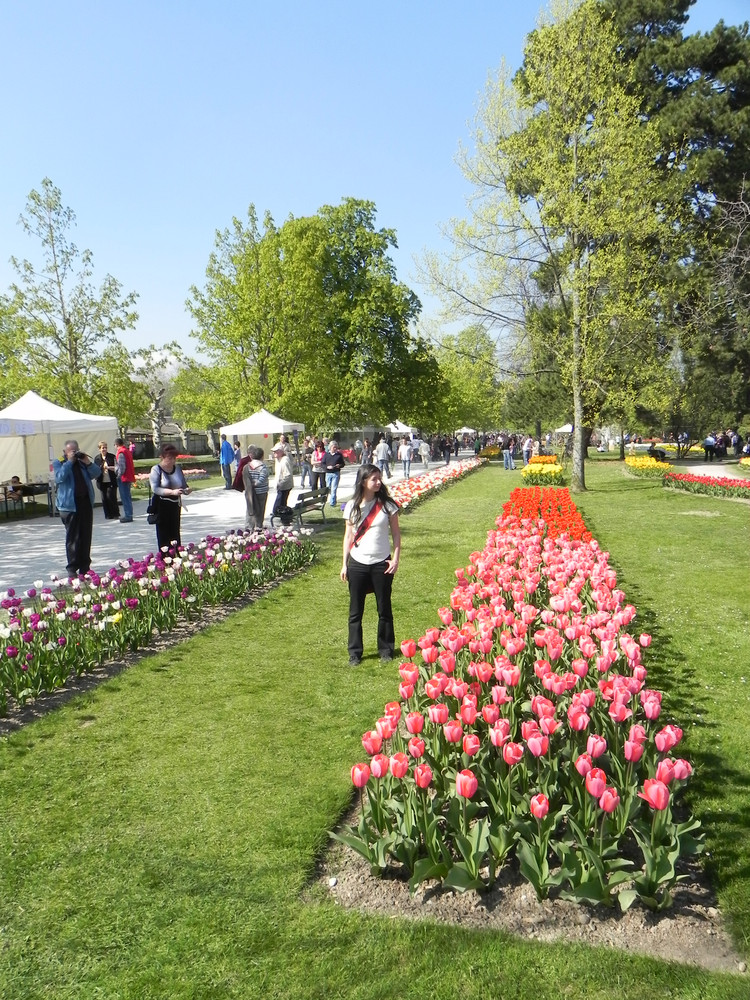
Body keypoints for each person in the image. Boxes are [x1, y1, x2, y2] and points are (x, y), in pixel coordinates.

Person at [341, 464, 401, 666]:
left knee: (384, 609)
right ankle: (354, 653)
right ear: (363, 481)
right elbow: (348, 536)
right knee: (355, 611)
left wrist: (395, 559)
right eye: (373, 479)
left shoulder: (387, 505)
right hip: (357, 563)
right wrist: (344, 564)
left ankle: (386, 649)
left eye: (379, 478)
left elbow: (396, 534)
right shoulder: (352, 506)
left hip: (382, 563)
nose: (378, 482)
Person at [52, 440, 102, 577]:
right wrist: (69, 462)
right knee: (73, 537)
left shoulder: (81, 462)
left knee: (86, 535)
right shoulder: (58, 462)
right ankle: (72, 568)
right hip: (68, 506)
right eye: (71, 451)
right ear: (65, 452)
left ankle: (85, 567)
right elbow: (59, 478)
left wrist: (88, 462)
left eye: (76, 450)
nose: (74, 453)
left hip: (84, 502)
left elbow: (97, 473)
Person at [149, 443, 191, 551]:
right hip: (162, 505)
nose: (172, 461)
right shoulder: (156, 469)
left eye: (174, 458)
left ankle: (176, 554)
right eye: (169, 458)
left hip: (175, 505)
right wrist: (172, 492)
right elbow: (155, 489)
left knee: (175, 531)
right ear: (162, 457)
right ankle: (165, 556)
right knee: (164, 533)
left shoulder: (177, 469)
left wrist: (186, 490)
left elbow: (183, 485)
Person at [243, 446, 269, 530]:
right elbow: (262, 478)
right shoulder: (262, 466)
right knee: (260, 509)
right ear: (262, 456)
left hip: (250, 492)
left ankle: (249, 526)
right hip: (261, 491)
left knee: (250, 508)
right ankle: (258, 525)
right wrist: (256, 483)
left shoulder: (247, 466)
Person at [94, 441, 120, 519]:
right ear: (99, 449)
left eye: (105, 447)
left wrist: (109, 467)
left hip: (111, 480)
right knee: (104, 498)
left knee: (111, 497)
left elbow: (116, 467)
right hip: (101, 481)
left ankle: (115, 514)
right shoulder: (97, 458)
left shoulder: (111, 456)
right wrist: (101, 467)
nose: (104, 449)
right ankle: (108, 514)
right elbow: (96, 469)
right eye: (103, 448)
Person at [270, 441, 294, 522]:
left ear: (281, 452)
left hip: (284, 486)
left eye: (276, 451)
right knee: (282, 503)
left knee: (278, 505)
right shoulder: (278, 460)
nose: (274, 453)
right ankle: (284, 518)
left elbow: (287, 475)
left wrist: (280, 484)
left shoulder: (285, 460)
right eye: (273, 451)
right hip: (281, 486)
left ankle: (280, 516)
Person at [114, 437, 136, 523]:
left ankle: (128, 515)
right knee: (128, 496)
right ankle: (129, 514)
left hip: (124, 478)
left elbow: (122, 467)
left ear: (116, 445)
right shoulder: (127, 451)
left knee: (125, 497)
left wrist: (118, 475)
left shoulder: (121, 453)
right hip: (129, 476)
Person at [324, 439, 346, 507]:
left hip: (336, 473)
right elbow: (322, 463)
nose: (335, 448)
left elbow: (343, 464)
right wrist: (327, 467)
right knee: (328, 488)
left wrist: (339, 465)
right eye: (334, 447)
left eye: (336, 447)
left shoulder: (339, 455)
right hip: (328, 473)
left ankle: (332, 503)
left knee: (334, 488)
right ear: (330, 447)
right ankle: (333, 498)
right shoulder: (326, 455)